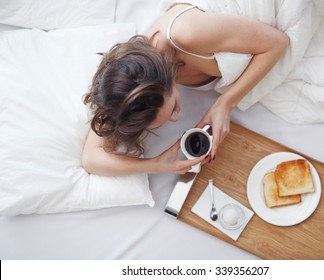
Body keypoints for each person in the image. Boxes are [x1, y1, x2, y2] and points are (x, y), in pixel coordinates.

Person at [82, 2, 289, 176]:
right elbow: (91, 159)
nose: (175, 118)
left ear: (169, 76)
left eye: (172, 109)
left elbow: (278, 42)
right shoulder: (124, 88)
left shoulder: (186, 33)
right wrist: (157, 165)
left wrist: (225, 104)